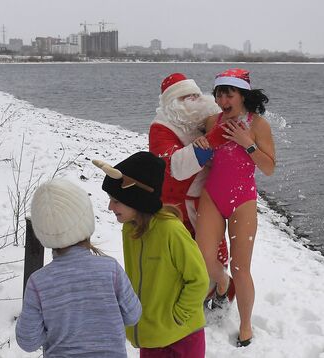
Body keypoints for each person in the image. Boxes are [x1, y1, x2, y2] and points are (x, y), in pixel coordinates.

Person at [95, 151, 209, 357]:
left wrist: (178, 316)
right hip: (150, 335)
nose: (110, 206)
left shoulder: (170, 230)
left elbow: (199, 279)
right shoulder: (131, 229)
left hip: (182, 335)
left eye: (116, 201)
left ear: (138, 200)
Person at [193, 68, 275, 347]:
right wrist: (200, 145)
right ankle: (222, 282)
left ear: (243, 96)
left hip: (243, 200)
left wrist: (248, 143)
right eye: (219, 93)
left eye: (229, 94)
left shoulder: (258, 125)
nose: (223, 99)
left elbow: (269, 168)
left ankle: (246, 325)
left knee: (242, 268)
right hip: (213, 195)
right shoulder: (210, 121)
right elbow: (197, 156)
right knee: (202, 257)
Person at [15, 178, 142, 357]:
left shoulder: (38, 283)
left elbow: (28, 341)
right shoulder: (110, 270)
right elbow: (133, 314)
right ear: (85, 219)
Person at [149, 73, 231, 275]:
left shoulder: (208, 118)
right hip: (178, 204)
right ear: (172, 104)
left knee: (214, 252)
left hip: (210, 199)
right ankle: (192, 297)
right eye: (186, 98)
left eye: (195, 95)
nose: (194, 101)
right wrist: (212, 141)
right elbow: (175, 166)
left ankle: (220, 293)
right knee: (183, 256)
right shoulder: (161, 128)